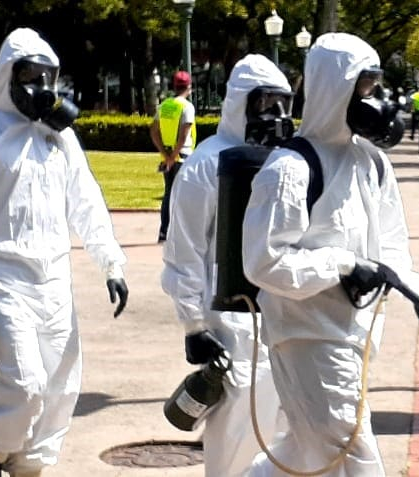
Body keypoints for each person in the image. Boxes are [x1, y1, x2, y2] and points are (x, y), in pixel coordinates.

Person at [242, 32, 419, 476]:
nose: (371, 99)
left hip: (352, 334)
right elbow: (265, 262)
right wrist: (343, 265)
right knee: (352, 452)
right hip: (306, 336)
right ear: (334, 88)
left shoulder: (371, 162)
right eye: (363, 88)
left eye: (374, 88)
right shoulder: (289, 170)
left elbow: (392, 247)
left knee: (305, 452)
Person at [0, 28, 129, 477]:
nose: (41, 88)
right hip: (3, 277)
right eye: (29, 77)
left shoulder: (59, 137)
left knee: (61, 385)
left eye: (47, 78)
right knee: (24, 382)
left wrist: (110, 262)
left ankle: (30, 468)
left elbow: (86, 200)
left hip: (55, 278)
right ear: (6, 77)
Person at [160, 54, 291, 477]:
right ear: (241, 103)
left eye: (282, 103)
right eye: (265, 103)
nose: (275, 115)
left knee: (285, 432)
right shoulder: (204, 165)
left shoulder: (284, 162)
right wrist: (194, 326)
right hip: (228, 322)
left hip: (282, 316)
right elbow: (185, 253)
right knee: (236, 432)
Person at [150, 70, 196, 243]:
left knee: (169, 194)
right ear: (188, 87)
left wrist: (165, 155)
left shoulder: (164, 105)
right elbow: (184, 135)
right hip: (182, 156)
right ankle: (181, 234)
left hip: (168, 156)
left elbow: (154, 131)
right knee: (183, 195)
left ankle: (164, 231)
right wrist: (174, 156)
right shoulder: (187, 107)